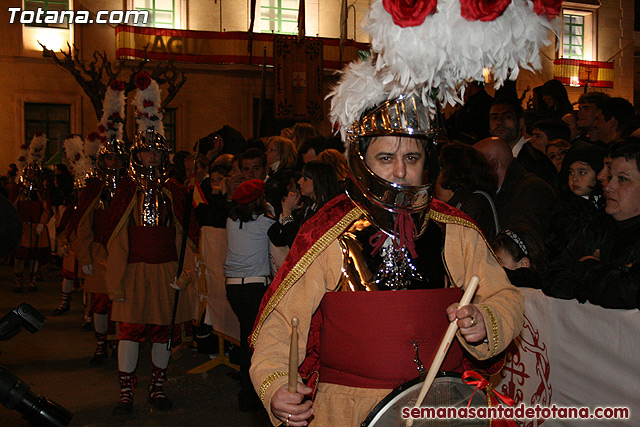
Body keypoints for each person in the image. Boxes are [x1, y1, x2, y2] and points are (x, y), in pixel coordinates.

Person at [250, 97, 524, 427]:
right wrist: (276, 385)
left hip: (443, 410)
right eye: (385, 158)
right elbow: (282, 322)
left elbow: (507, 299)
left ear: (427, 162)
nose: (399, 171)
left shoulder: (457, 231)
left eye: (411, 157)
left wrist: (485, 320)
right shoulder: (329, 232)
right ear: (362, 161)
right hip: (347, 413)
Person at [106, 129, 199, 415]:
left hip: (165, 271)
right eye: (146, 151)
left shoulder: (175, 188)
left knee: (162, 331)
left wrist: (185, 273)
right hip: (133, 271)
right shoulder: (126, 188)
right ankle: (125, 393)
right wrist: (116, 281)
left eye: (157, 151)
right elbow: (118, 237)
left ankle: (157, 388)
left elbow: (186, 236)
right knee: (129, 331)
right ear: (136, 155)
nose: (152, 156)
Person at [542, 137, 640, 309]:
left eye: (623, 179)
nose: (609, 186)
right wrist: (597, 279)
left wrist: (588, 267)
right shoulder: (599, 225)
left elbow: (631, 293)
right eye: (610, 177)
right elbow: (552, 277)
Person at [66, 138, 129, 366]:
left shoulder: (130, 186)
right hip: (99, 253)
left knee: (122, 302)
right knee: (100, 303)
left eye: (119, 158)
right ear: (102, 160)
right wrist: (85, 256)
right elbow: (83, 223)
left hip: (124, 254)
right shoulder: (94, 186)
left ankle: (122, 344)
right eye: (110, 158)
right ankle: (101, 343)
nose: (114, 162)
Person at [224, 179, 276, 411]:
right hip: (256, 286)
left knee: (246, 337)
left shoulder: (230, 221)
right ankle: (251, 393)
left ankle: (246, 392)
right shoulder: (266, 223)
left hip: (233, 286)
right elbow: (278, 234)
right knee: (254, 343)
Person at [474, 137, 556, 240]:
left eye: (476, 165)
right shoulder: (493, 191)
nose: (473, 173)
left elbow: (521, 240)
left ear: (493, 165)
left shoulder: (533, 190)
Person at [268, 161, 342, 249]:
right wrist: (285, 213)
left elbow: (298, 246)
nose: (299, 182)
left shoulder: (328, 211)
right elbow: (277, 238)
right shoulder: (308, 206)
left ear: (318, 182)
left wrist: (287, 212)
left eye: (305, 178)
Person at [435, 142, 500, 240]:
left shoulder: (474, 203)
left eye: (439, 169)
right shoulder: (454, 203)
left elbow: (461, 248)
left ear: (449, 171)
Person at [489, 98, 557, 187]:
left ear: (520, 122)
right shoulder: (487, 159)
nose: (499, 122)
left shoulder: (535, 162)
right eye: (494, 118)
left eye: (507, 117)